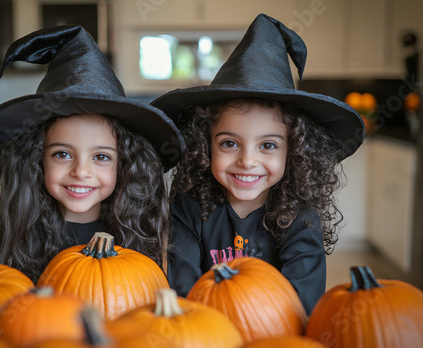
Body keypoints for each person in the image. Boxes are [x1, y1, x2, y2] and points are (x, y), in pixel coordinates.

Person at [151, 14, 365, 315]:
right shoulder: (188, 207)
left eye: (267, 145)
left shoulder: (299, 216)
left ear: (294, 152)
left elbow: (300, 305)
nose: (247, 161)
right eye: (229, 143)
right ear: (205, 146)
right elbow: (183, 292)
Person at [0, 25, 185, 283]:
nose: (81, 171)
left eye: (101, 157)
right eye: (62, 154)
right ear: (37, 160)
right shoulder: (17, 231)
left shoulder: (136, 233)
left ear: (124, 164)